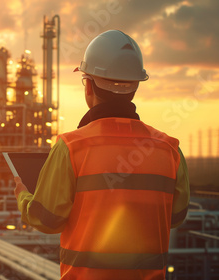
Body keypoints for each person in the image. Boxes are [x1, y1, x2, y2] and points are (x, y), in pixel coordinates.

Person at [14, 30, 189, 280]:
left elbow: (47, 220)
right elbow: (176, 217)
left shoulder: (71, 147)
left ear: (88, 85)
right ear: (135, 86)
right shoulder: (169, 149)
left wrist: (23, 195)